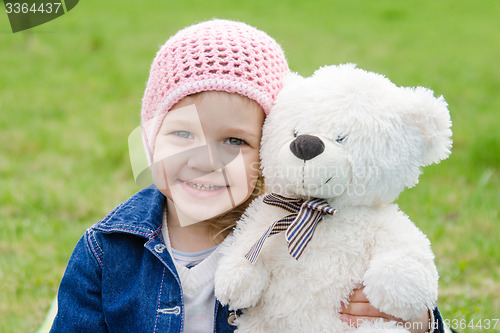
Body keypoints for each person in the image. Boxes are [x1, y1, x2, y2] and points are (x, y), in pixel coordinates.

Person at [50, 19, 445, 332]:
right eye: (183, 133)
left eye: (235, 141)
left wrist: (417, 322)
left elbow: (405, 304)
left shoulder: (299, 236)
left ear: (268, 150)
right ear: (153, 137)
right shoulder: (106, 250)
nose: (205, 160)